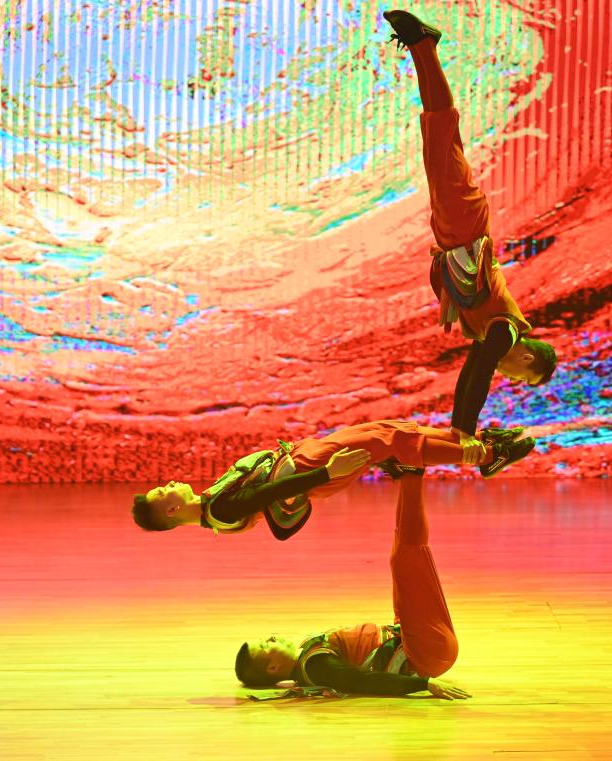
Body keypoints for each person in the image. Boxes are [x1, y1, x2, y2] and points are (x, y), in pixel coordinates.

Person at [384, 9, 558, 464]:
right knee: (441, 129)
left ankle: (423, 47)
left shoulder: (491, 332)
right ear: (528, 359)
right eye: (520, 378)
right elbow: (478, 375)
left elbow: (470, 374)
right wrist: (463, 433)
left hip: (452, 233)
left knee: (437, 131)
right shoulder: (505, 331)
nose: (510, 378)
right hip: (465, 225)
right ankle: (424, 45)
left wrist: (459, 432)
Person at [235, 472, 469, 699]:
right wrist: (424, 684)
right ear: (273, 668)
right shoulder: (317, 666)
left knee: (402, 554)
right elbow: (362, 681)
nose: (272, 638)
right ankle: (411, 474)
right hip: (423, 652)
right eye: (265, 646)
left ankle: (406, 476)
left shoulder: (308, 656)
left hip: (414, 642)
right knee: (406, 559)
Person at [131, 419, 533, 540]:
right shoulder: (219, 510)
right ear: (171, 510)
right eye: (163, 492)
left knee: (390, 430)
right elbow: (273, 490)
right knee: (389, 439)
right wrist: (327, 471)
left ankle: (478, 443)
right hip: (310, 469)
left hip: (305, 460)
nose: (169, 484)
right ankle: (485, 455)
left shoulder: (211, 503)